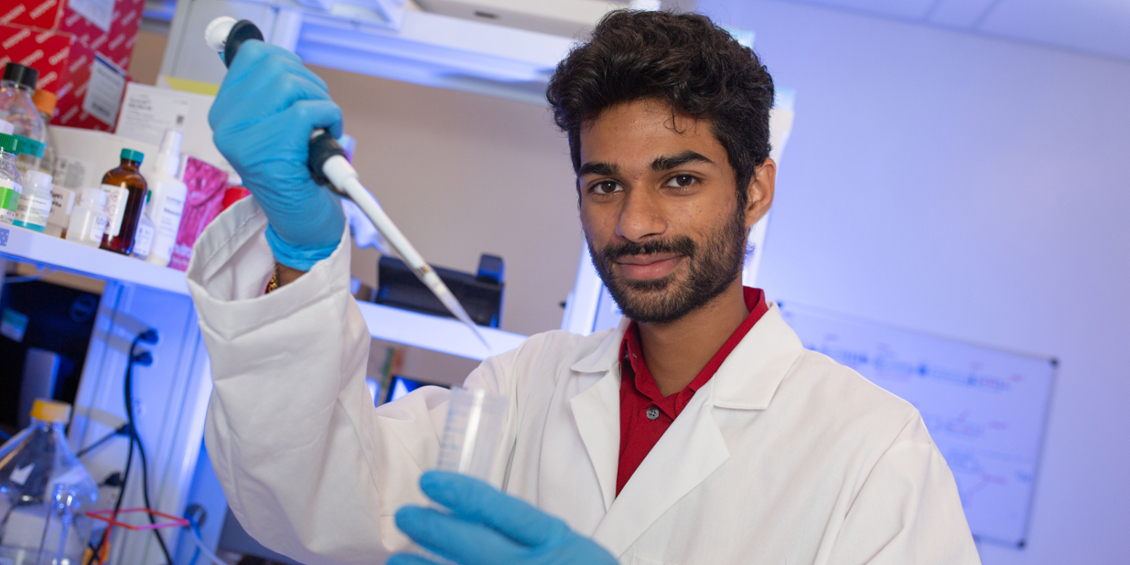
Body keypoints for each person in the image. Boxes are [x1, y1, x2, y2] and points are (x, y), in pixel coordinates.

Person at [191, 9, 981, 565]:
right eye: (604, 184)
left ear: (755, 189)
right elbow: (310, 501)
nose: (635, 224)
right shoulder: (523, 385)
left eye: (679, 179)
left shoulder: (873, 451)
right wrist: (299, 245)